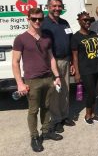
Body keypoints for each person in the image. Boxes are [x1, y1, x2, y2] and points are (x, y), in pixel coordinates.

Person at [12, 8, 63, 153]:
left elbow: (51, 57)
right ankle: (34, 137)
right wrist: (20, 83)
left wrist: (57, 76)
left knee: (46, 106)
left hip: (48, 78)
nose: (37, 22)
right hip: (32, 80)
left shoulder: (46, 37)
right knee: (33, 110)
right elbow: (15, 62)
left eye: (40, 19)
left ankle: (46, 132)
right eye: (34, 19)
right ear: (28, 19)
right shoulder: (21, 39)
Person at [41, 0, 75, 134]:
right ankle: (56, 120)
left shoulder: (65, 22)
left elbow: (71, 42)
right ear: (48, 7)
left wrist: (72, 61)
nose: (57, 9)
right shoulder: (43, 24)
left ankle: (64, 116)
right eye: (54, 6)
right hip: (52, 63)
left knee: (65, 90)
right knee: (55, 92)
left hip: (66, 60)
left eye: (59, 6)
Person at [71, 12, 98, 125]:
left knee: (94, 92)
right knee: (91, 93)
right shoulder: (76, 37)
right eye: (84, 20)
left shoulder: (93, 34)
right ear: (79, 21)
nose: (87, 22)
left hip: (96, 67)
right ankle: (87, 115)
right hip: (85, 69)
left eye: (88, 20)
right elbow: (74, 57)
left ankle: (93, 113)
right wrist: (77, 73)